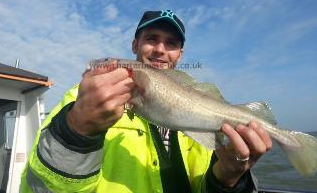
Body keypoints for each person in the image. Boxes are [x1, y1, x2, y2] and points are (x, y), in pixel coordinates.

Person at [20, 10, 272, 193]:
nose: (160, 49)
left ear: (180, 55)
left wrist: (229, 180)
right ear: (134, 45)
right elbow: (39, 187)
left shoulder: (202, 115)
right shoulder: (83, 99)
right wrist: (77, 130)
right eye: (151, 38)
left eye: (171, 43)